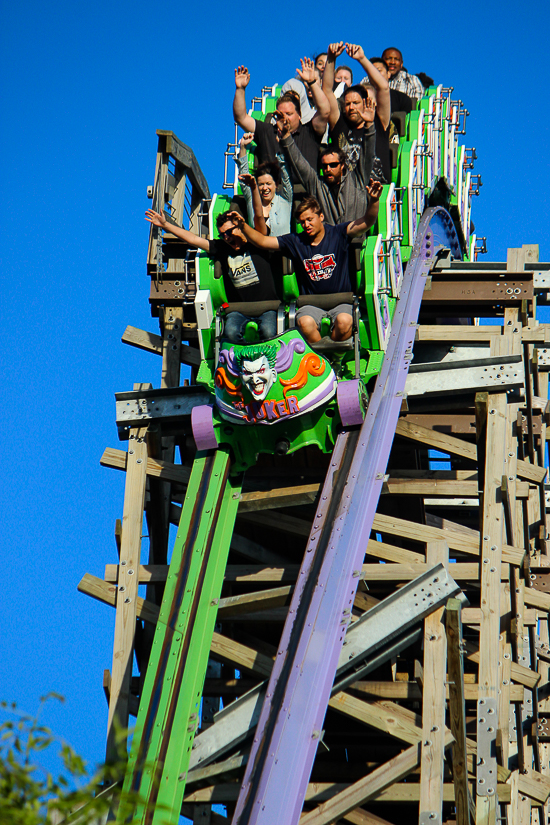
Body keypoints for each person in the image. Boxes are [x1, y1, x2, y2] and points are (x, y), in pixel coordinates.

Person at [226, 190, 383, 345]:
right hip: (311, 304)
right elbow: (263, 242)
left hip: (341, 301)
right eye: (302, 222)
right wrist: (243, 225)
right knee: (304, 323)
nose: (306, 225)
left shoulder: (338, 233)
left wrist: (374, 201)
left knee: (344, 321)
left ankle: (335, 357)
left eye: (310, 219)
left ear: (321, 217)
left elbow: (366, 222)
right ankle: (322, 359)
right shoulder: (295, 241)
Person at [144, 208, 280, 343]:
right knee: (231, 332)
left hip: (266, 307)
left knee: (268, 331)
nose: (226, 237)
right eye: (222, 235)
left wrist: (253, 187)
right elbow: (193, 239)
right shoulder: (222, 248)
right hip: (239, 309)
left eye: (229, 231)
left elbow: (259, 218)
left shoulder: (257, 242)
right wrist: (165, 225)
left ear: (239, 227)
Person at [278, 114, 378, 226]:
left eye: (333, 165)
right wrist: (286, 136)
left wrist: (369, 125)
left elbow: (368, 155)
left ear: (342, 165)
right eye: (324, 166)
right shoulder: (317, 185)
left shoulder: (357, 179)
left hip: (356, 240)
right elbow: (298, 162)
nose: (328, 169)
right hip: (328, 241)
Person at [233, 62, 329, 172]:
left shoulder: (310, 131)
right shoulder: (268, 131)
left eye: (289, 114)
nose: (285, 118)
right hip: (274, 187)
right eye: (281, 114)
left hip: (305, 188)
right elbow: (241, 118)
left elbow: (325, 112)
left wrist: (312, 83)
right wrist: (240, 89)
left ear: (299, 114)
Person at [324, 42, 391, 184]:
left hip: (377, 192)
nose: (351, 107)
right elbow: (327, 91)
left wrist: (362, 59)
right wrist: (331, 58)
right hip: (347, 192)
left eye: (356, 103)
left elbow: (384, 87)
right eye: (348, 104)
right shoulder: (340, 123)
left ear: (366, 103)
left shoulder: (379, 122)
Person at [236, 132, 292, 236]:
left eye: (268, 184)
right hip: (258, 251)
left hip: (282, 250)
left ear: (276, 184)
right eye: (261, 184)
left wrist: (281, 145)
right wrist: (243, 147)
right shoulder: (252, 199)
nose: (265, 188)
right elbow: (243, 175)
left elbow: (286, 173)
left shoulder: (285, 198)